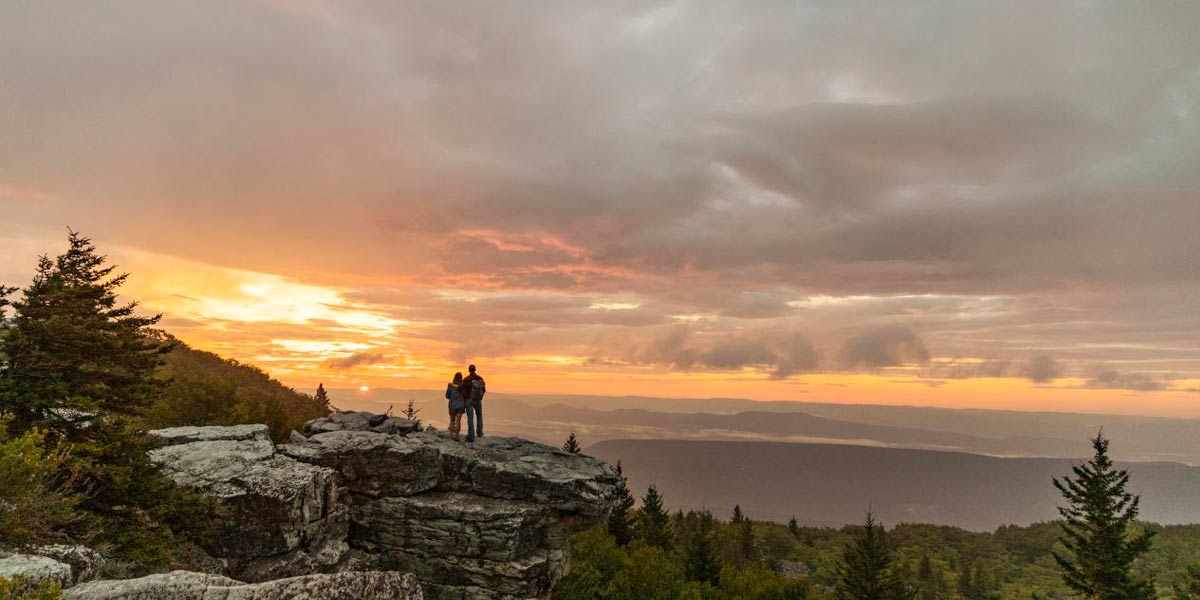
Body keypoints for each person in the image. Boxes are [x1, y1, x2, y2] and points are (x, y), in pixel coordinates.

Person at [460, 364, 486, 442]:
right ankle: (480, 433)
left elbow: (460, 388)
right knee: (479, 416)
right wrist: (480, 397)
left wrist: (465, 397)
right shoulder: (480, 378)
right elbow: (484, 389)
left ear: (469, 370)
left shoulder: (466, 379)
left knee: (470, 418)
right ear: (475, 370)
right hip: (478, 400)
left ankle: (471, 437)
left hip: (469, 400)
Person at [445, 372, 468, 441]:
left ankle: (451, 436)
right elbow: (465, 395)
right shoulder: (463, 386)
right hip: (461, 405)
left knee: (452, 420)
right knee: (458, 421)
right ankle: (456, 436)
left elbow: (447, 396)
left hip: (452, 405)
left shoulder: (450, 386)